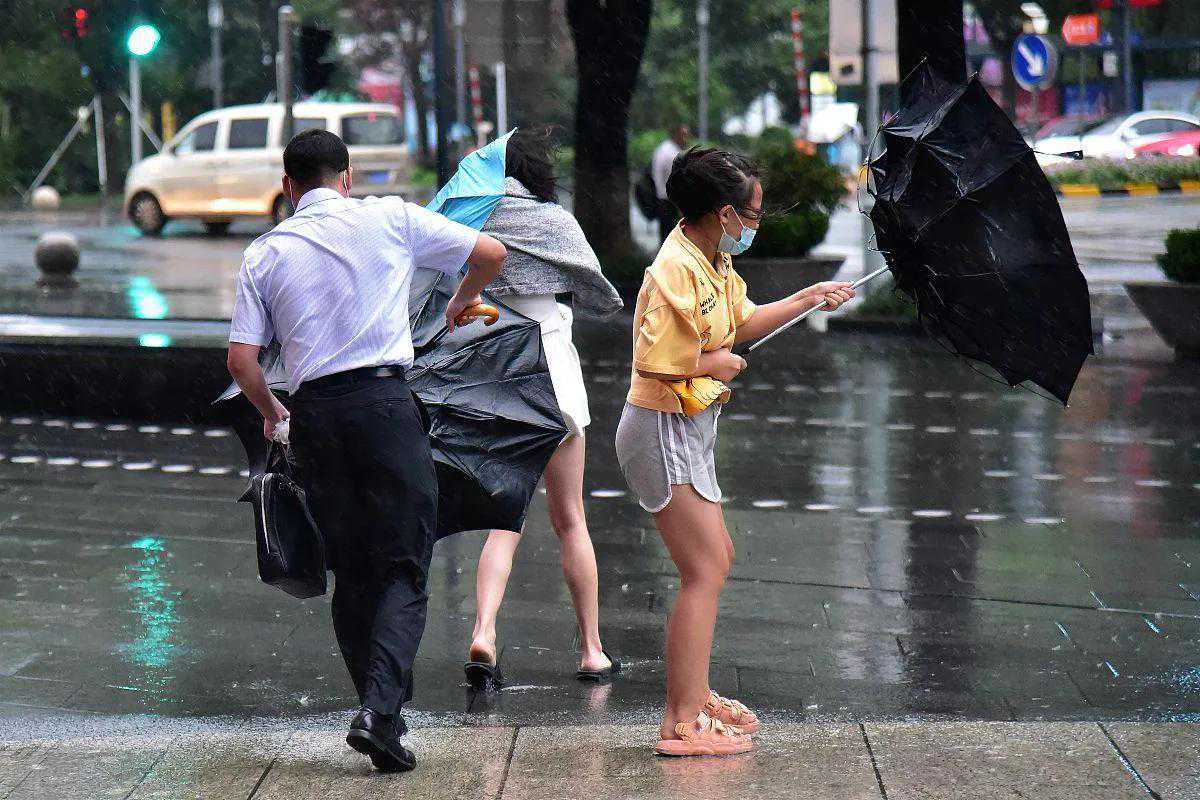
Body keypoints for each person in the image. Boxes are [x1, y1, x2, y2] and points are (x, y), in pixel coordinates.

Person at [226, 129, 506, 773]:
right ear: (346, 177)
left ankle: (377, 711)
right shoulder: (393, 219)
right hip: (385, 408)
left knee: (350, 569)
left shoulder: (266, 253)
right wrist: (460, 303)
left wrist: (276, 416)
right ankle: (381, 713)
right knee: (405, 561)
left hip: (316, 419)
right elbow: (489, 253)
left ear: (289, 187)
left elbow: (242, 360)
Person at [614, 147, 854, 757]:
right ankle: (682, 719)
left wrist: (808, 298)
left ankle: (694, 693)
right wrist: (714, 362)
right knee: (705, 569)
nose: (755, 223)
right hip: (662, 427)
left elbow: (743, 321)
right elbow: (656, 361)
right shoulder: (675, 268)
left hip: (688, 426)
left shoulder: (711, 257)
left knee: (715, 557)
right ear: (723, 213)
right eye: (752, 214)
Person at [464, 127, 624, 687]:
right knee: (570, 519)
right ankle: (591, 650)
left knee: (502, 521)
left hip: (495, 375)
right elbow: (600, 289)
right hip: (551, 366)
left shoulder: (471, 217)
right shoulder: (553, 220)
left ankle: (484, 632)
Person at [651, 125, 691, 242]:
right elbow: (677, 183)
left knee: (666, 236)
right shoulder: (671, 154)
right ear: (677, 135)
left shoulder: (664, 148)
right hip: (669, 201)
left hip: (663, 198)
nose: (686, 139)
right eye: (684, 135)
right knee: (671, 237)